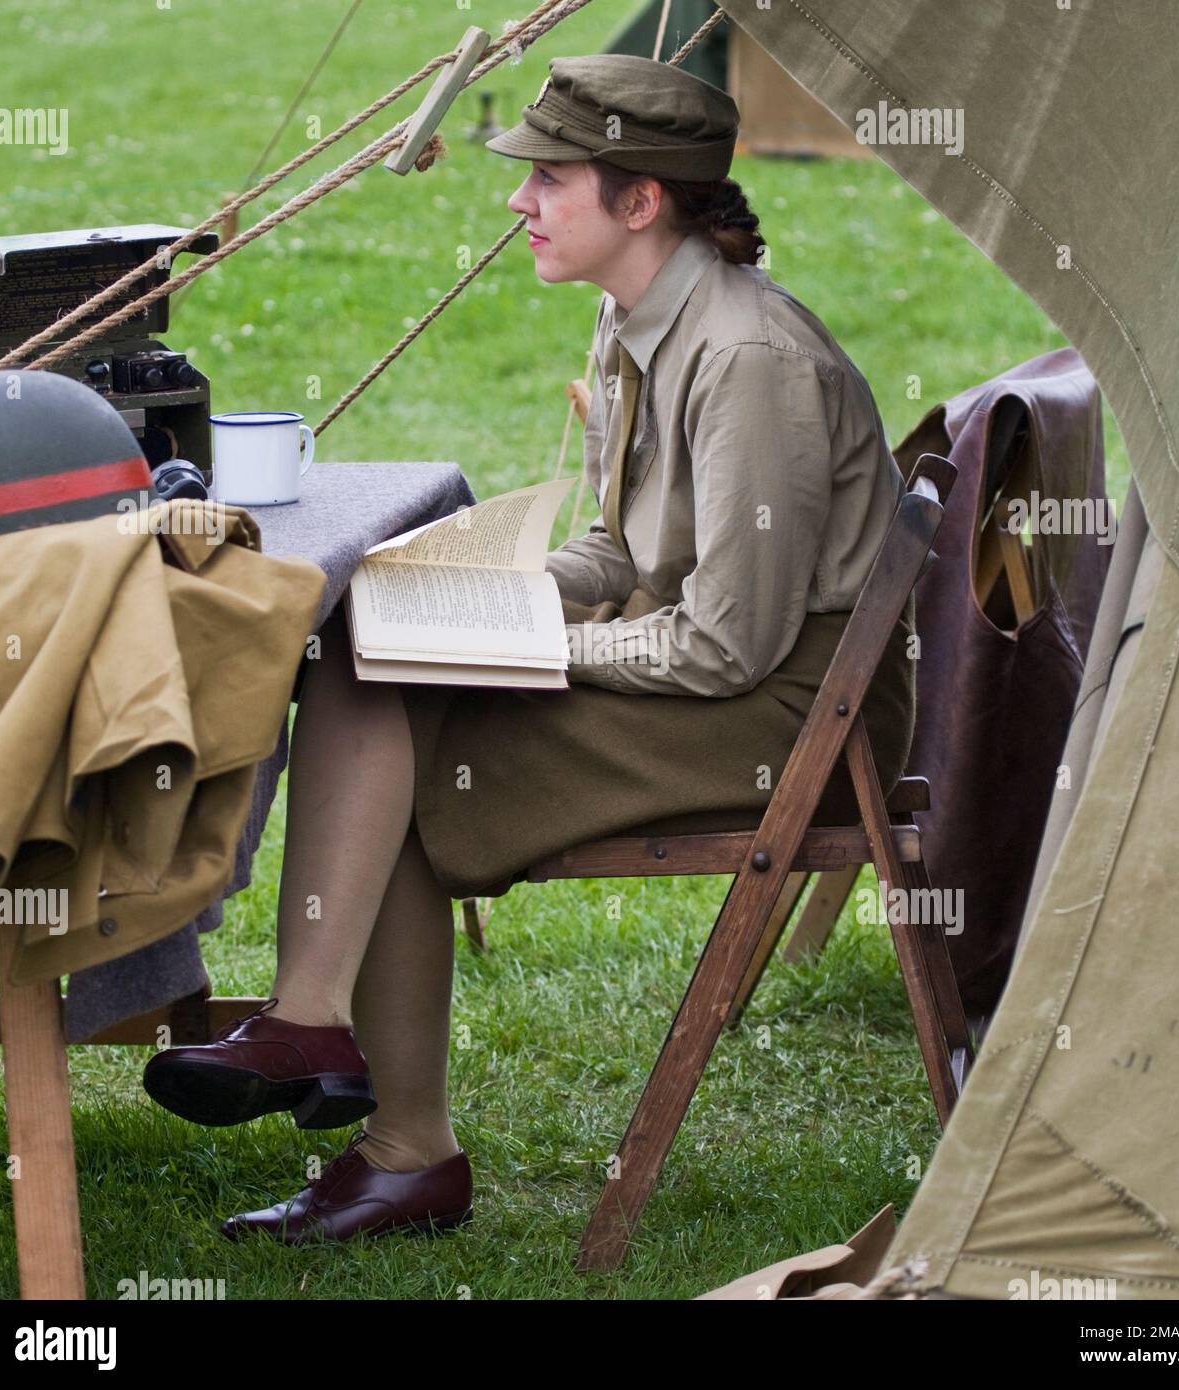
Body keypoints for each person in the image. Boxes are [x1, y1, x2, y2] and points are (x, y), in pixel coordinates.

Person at [141, 53, 917, 1244]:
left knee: (394, 761)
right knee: (361, 650)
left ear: (640, 201)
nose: (518, 202)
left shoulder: (750, 365)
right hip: (711, 666)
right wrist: (485, 592)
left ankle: (400, 1143)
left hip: (785, 717)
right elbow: (619, 546)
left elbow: (728, 648)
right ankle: (319, 1035)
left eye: (550, 179)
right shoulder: (636, 316)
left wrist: (525, 644)